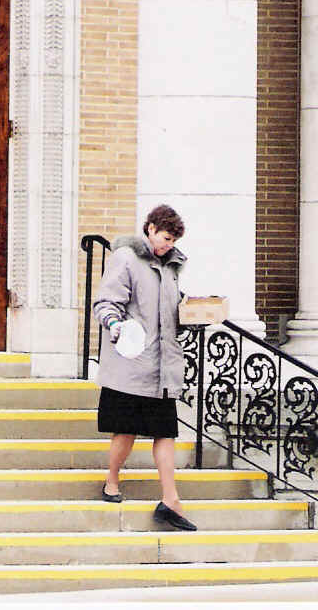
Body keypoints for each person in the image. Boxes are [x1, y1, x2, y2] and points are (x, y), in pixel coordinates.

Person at [92, 204, 197, 531]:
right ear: (150, 228)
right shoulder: (126, 259)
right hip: (131, 362)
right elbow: (107, 303)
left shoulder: (171, 267)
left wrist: (193, 313)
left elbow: (169, 311)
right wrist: (115, 324)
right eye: (165, 237)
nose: (168, 244)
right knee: (125, 429)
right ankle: (111, 480)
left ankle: (170, 500)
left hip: (162, 368)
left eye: (173, 240)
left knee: (165, 432)